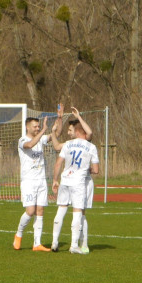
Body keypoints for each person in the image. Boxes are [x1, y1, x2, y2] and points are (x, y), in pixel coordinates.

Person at [50, 107, 96, 253]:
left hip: (65, 180)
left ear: (76, 131)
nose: (68, 133)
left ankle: (55, 242)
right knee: (79, 213)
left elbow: (58, 163)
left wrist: (55, 180)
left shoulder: (69, 145)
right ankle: (76, 245)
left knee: (61, 210)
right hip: (80, 182)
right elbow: (95, 170)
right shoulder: (90, 146)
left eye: (70, 130)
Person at [13, 114, 52, 251]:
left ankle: (37, 243)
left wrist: (59, 119)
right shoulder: (22, 140)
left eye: (38, 126)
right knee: (30, 211)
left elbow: (54, 136)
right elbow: (30, 145)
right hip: (28, 181)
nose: (37, 128)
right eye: (35, 126)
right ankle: (18, 234)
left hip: (41, 180)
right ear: (27, 127)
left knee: (40, 210)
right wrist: (43, 132)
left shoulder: (41, 139)